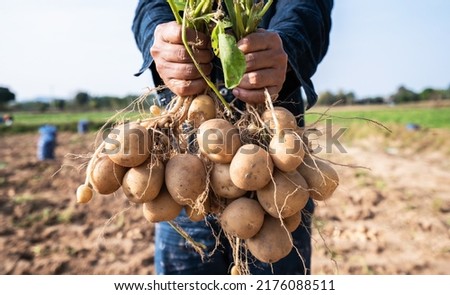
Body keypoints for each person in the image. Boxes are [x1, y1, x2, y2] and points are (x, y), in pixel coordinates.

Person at [132, 0, 333, 275]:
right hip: (184, 172)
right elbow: (151, 6)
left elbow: (308, 8)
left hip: (273, 175)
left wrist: (288, 46)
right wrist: (160, 36)